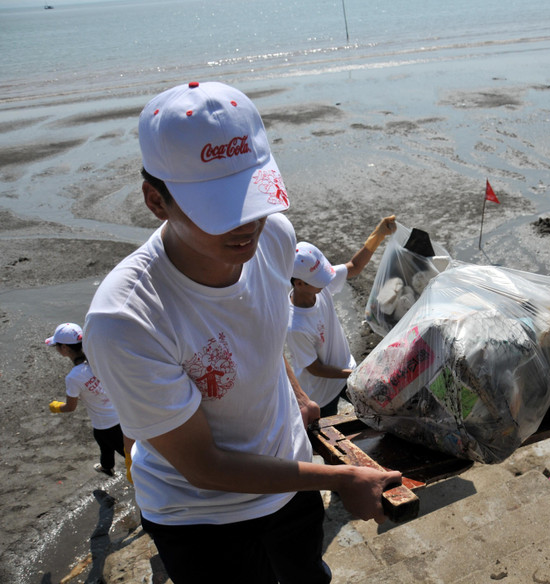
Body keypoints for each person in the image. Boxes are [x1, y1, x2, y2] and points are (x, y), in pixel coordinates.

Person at [83, 81, 400, 584]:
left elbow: (257, 329)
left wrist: (295, 392)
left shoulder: (273, 235)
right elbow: (203, 465)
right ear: (156, 201)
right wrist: (340, 478)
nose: (243, 225)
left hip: (290, 480)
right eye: (218, 207)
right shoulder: (127, 319)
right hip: (201, 516)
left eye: (250, 196)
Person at [287, 218, 396, 419]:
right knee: (328, 436)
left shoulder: (320, 284)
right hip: (321, 394)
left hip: (347, 372)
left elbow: (354, 266)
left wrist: (377, 235)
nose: (326, 282)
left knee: (373, 418)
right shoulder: (295, 326)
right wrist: (353, 374)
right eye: (320, 280)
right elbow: (315, 368)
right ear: (300, 283)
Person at [46, 322, 125, 477]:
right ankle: (107, 467)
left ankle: (150, 480)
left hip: (106, 424)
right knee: (105, 445)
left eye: (57, 345)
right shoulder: (97, 359)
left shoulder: (74, 377)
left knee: (126, 452)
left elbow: (70, 407)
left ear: (65, 349)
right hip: (121, 413)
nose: (56, 349)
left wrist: (56, 407)